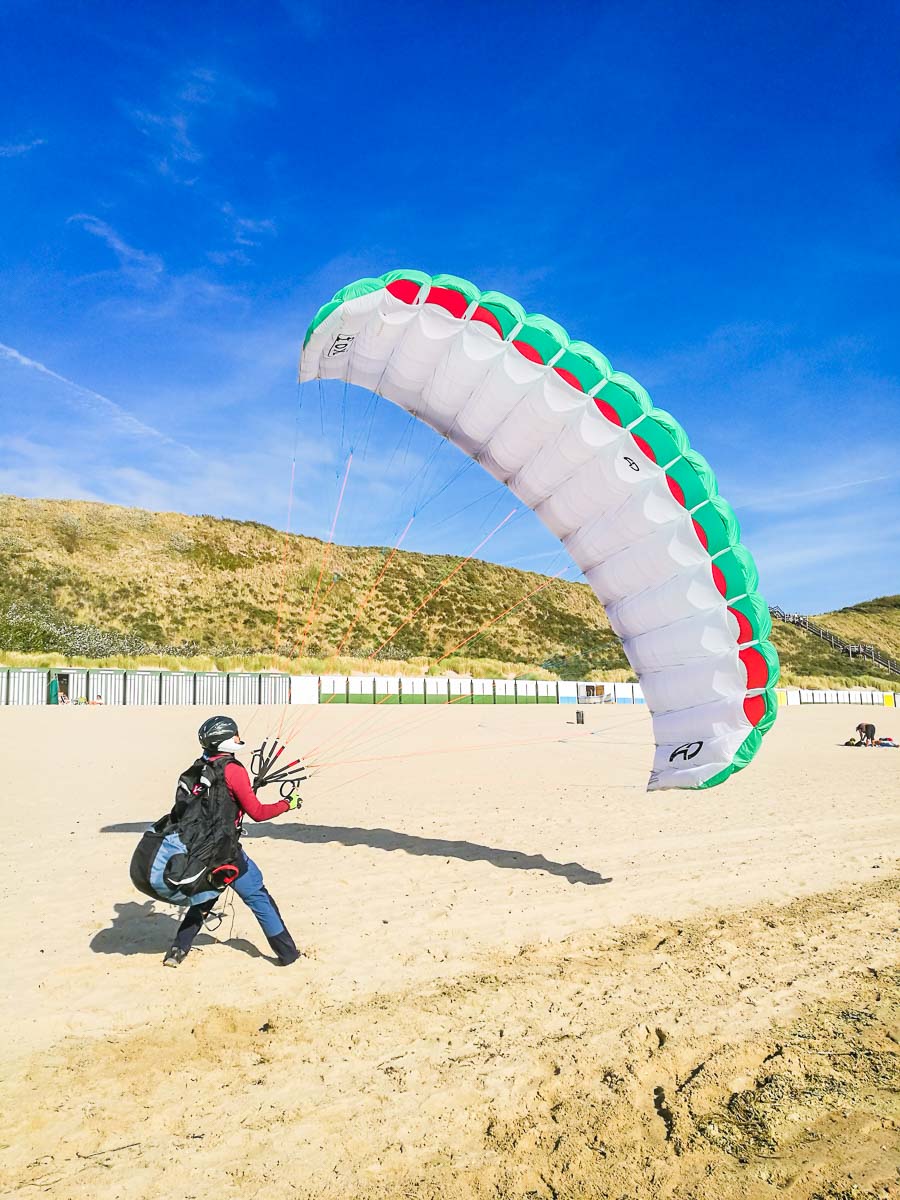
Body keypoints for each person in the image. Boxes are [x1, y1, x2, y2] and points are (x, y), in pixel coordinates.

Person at [164, 715, 301, 968]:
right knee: (257, 896)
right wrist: (287, 804)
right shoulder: (233, 770)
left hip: (197, 849)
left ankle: (177, 950)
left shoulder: (199, 767)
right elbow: (258, 813)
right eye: (235, 734)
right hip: (225, 852)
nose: (239, 737)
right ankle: (288, 954)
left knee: (206, 896)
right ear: (225, 741)